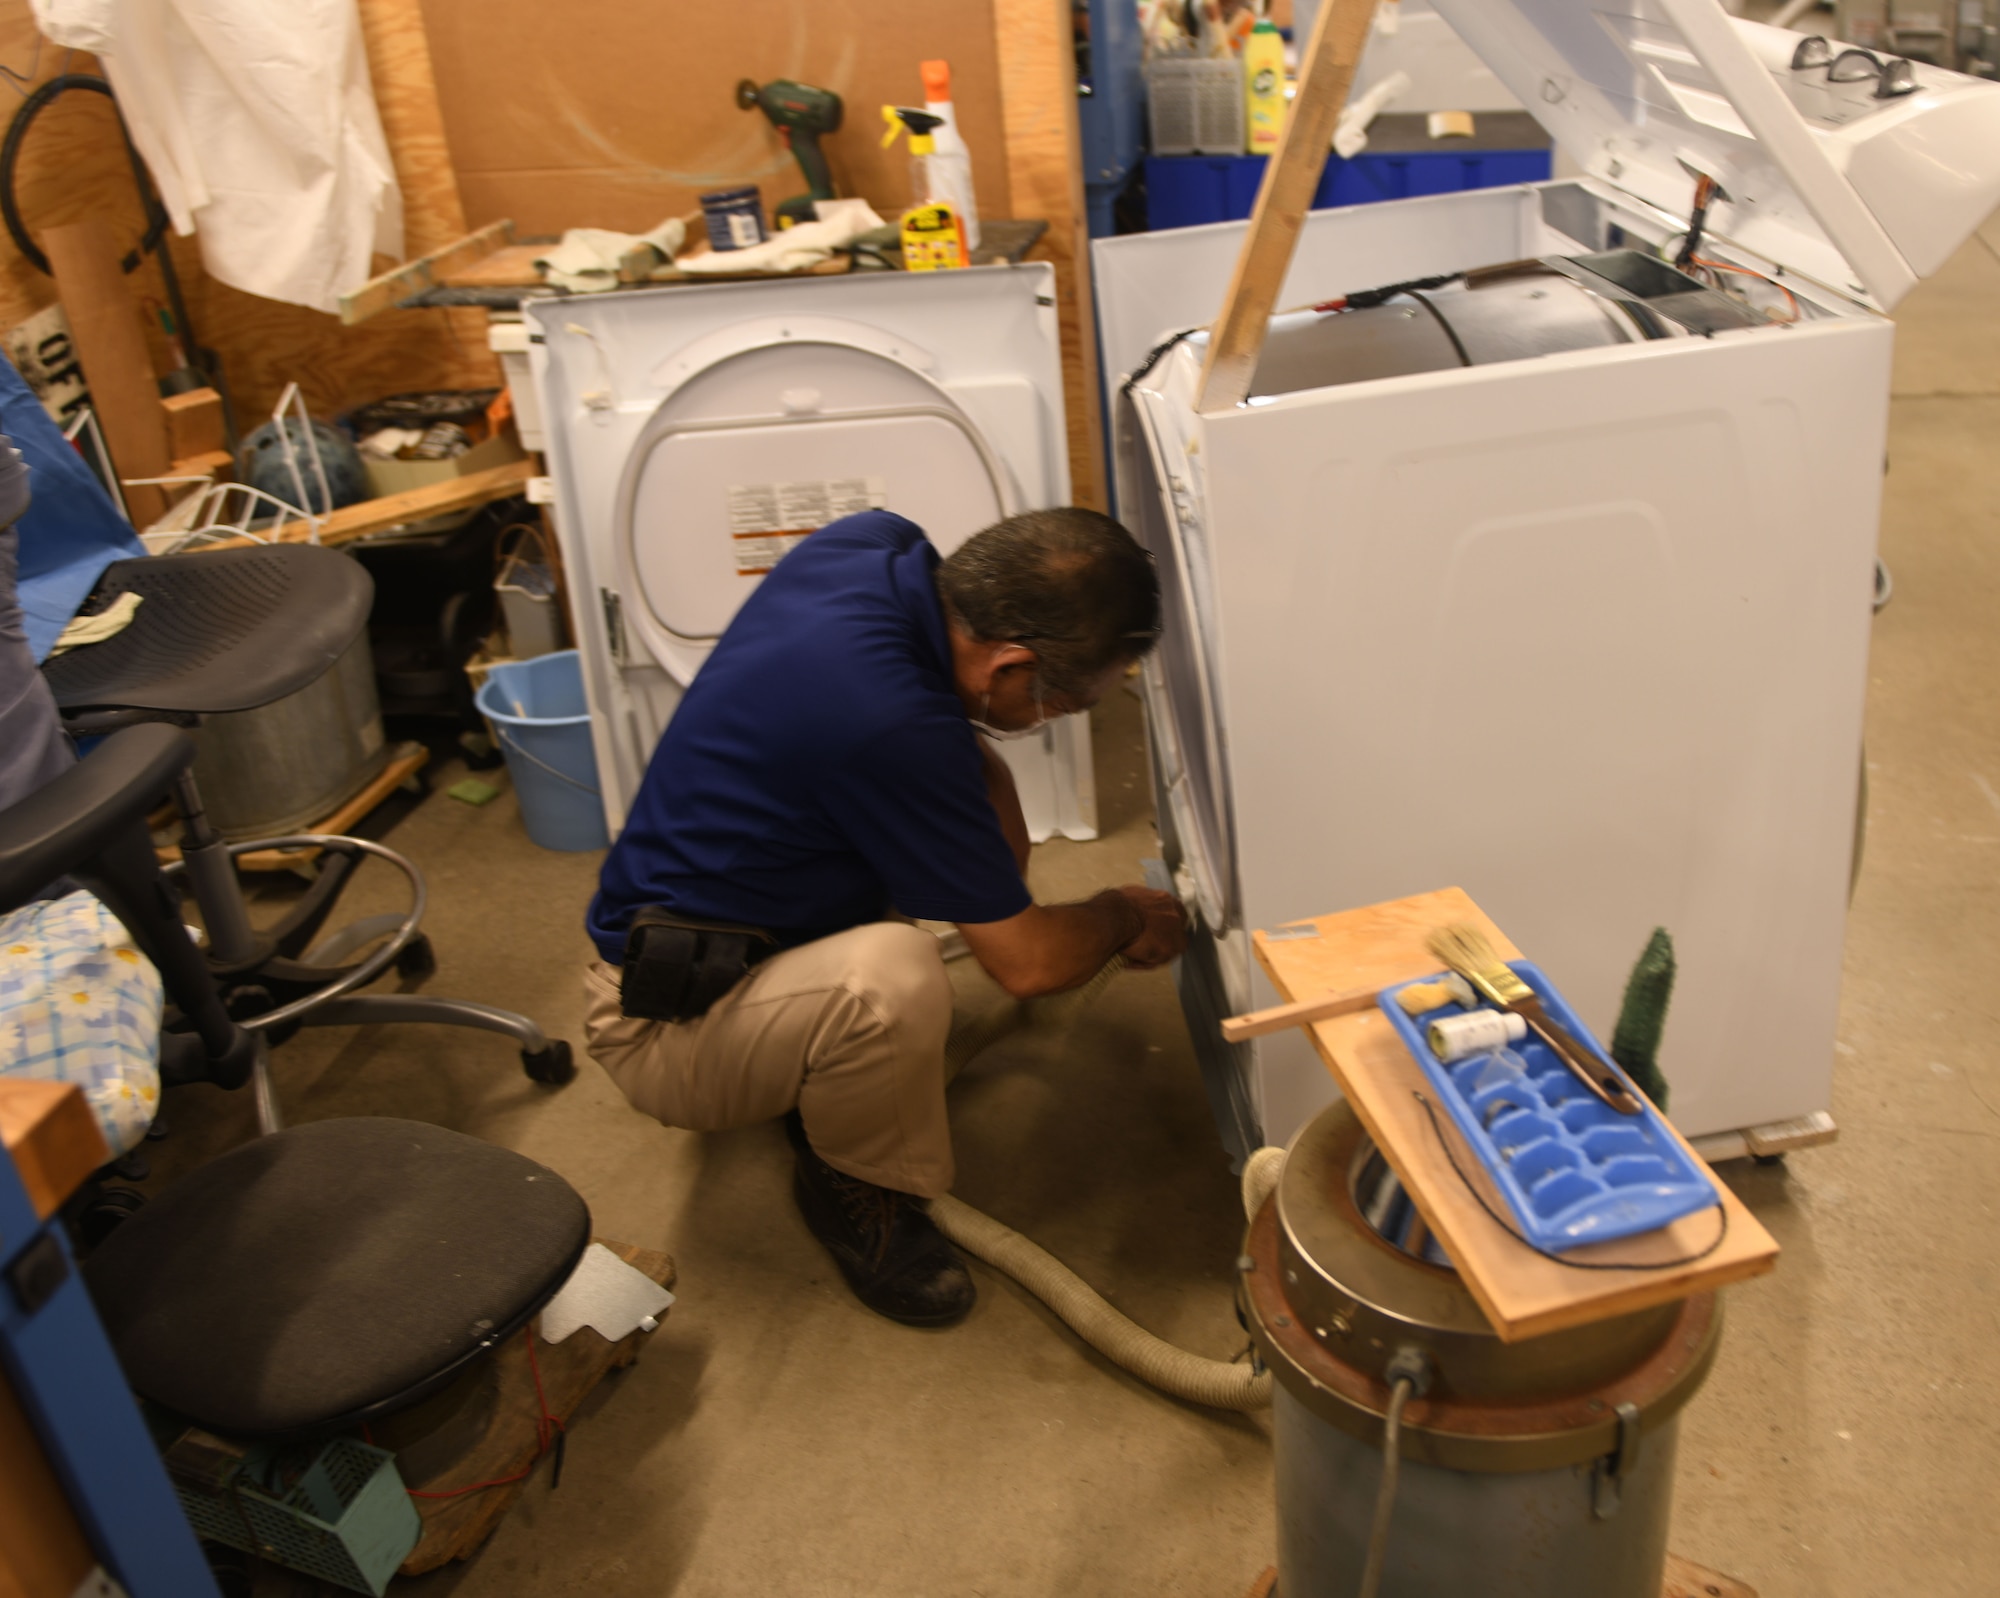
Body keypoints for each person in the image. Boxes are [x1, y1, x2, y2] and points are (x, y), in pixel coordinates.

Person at [581, 506, 1188, 1326]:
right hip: (662, 1020)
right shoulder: (890, 723)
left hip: (733, 926)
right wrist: (1119, 915)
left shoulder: (871, 547)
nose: (1059, 719)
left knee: (944, 874)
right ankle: (855, 1186)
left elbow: (983, 851)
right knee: (895, 978)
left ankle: (815, 1058)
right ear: (1008, 663)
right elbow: (1029, 965)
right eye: (1068, 703)